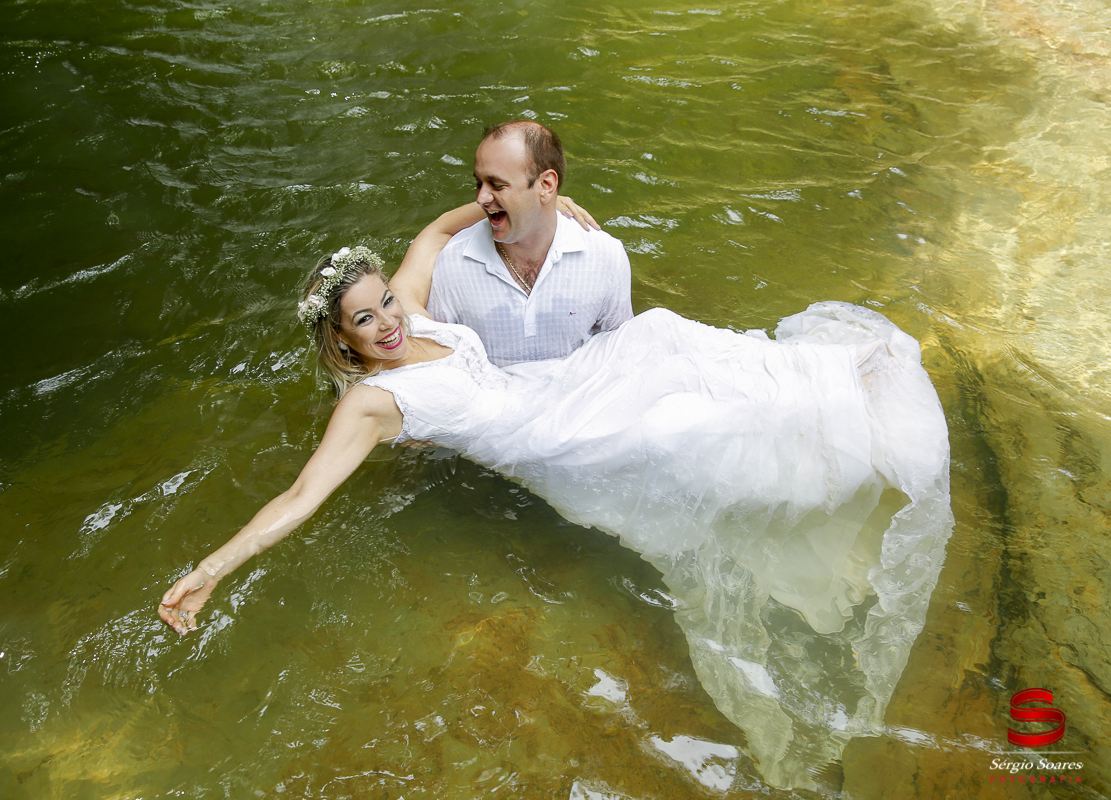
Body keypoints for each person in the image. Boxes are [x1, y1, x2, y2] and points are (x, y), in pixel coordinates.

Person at [159, 246, 954, 789]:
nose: (389, 322)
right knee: (690, 431)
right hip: (557, 442)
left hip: (557, 386)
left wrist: (552, 197)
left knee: (661, 335)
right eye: (365, 322)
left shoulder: (412, 317)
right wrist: (207, 572)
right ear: (341, 341)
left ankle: (830, 398)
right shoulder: (372, 402)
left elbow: (439, 231)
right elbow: (301, 496)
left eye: (386, 303)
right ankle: (828, 472)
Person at [390, 120, 633, 367]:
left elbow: (621, 354)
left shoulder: (606, 255)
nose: (481, 198)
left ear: (546, 185)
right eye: (478, 184)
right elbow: (437, 367)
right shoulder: (451, 263)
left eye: (497, 185)